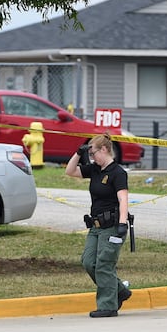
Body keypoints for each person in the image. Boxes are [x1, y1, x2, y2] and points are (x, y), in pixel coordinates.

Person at [65, 133, 132, 318]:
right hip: (95, 226)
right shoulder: (95, 170)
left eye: (93, 153)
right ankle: (120, 290)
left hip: (112, 225)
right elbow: (70, 171)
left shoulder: (118, 173)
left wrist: (122, 224)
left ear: (104, 150)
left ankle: (108, 306)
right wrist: (79, 153)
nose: (92, 157)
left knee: (104, 264)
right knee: (88, 262)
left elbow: (123, 199)